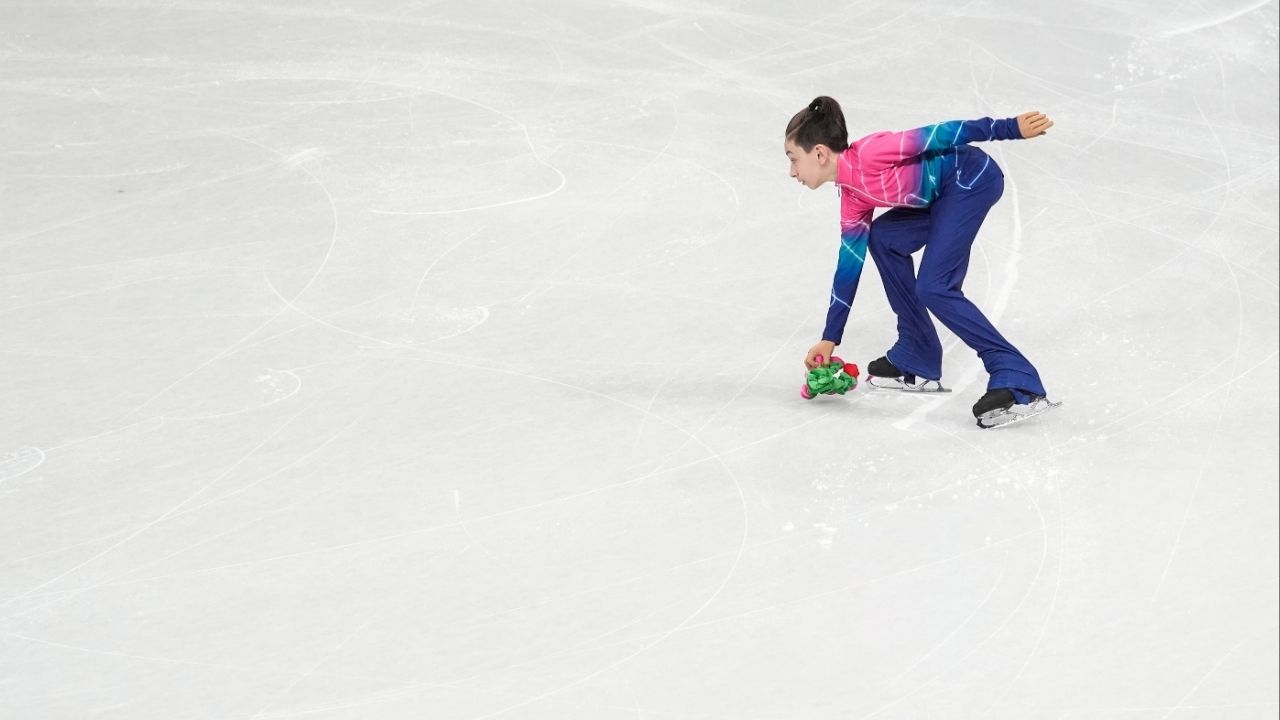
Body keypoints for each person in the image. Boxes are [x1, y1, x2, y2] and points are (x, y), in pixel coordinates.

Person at [784, 96, 1053, 420]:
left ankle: (1017, 376)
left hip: (970, 180)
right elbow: (848, 266)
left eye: (793, 159)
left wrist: (1008, 128)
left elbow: (940, 133)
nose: (791, 171)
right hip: (940, 195)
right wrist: (830, 338)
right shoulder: (852, 197)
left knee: (934, 287)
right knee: (883, 238)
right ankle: (918, 351)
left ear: (819, 153)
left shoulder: (871, 153)